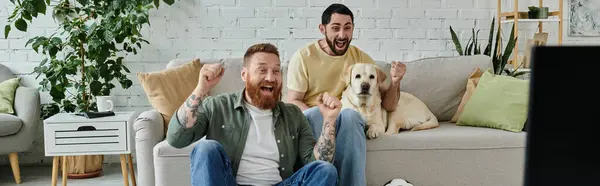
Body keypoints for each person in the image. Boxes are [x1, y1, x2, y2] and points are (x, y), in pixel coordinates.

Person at [166, 43, 343, 186]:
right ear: (245, 74)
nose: (271, 77)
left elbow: (317, 163)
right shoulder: (218, 105)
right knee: (206, 148)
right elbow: (176, 138)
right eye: (262, 70)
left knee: (326, 170)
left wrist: (329, 120)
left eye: (276, 71)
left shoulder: (293, 114)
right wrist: (201, 89)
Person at [286, 3, 407, 186]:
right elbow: (293, 101)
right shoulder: (303, 57)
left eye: (347, 28)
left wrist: (396, 82)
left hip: (345, 117)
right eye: (335, 28)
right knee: (342, 115)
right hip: (314, 115)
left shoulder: (360, 58)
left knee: (350, 115)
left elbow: (388, 105)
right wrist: (326, 117)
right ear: (322, 29)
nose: (342, 35)